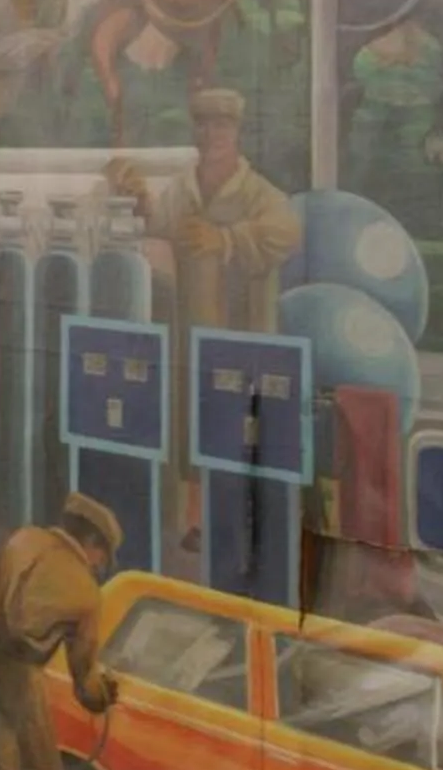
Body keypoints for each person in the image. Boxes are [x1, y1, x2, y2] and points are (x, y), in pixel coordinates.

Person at [109, 86, 301, 542]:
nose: (212, 133)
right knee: (192, 422)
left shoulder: (259, 193)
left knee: (238, 424)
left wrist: (227, 240)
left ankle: (242, 523)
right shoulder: (185, 188)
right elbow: (161, 224)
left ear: (236, 131)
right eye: (204, 124)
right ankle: (195, 522)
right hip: (191, 333)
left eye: (222, 124)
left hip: (241, 332)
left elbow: (286, 232)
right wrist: (139, 200)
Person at [0, 494, 123, 770]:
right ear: (92, 544)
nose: (101, 566)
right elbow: (83, 676)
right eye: (103, 556)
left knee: (0, 755)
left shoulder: (23, 538)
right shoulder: (86, 593)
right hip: (20, 670)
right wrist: (103, 694)